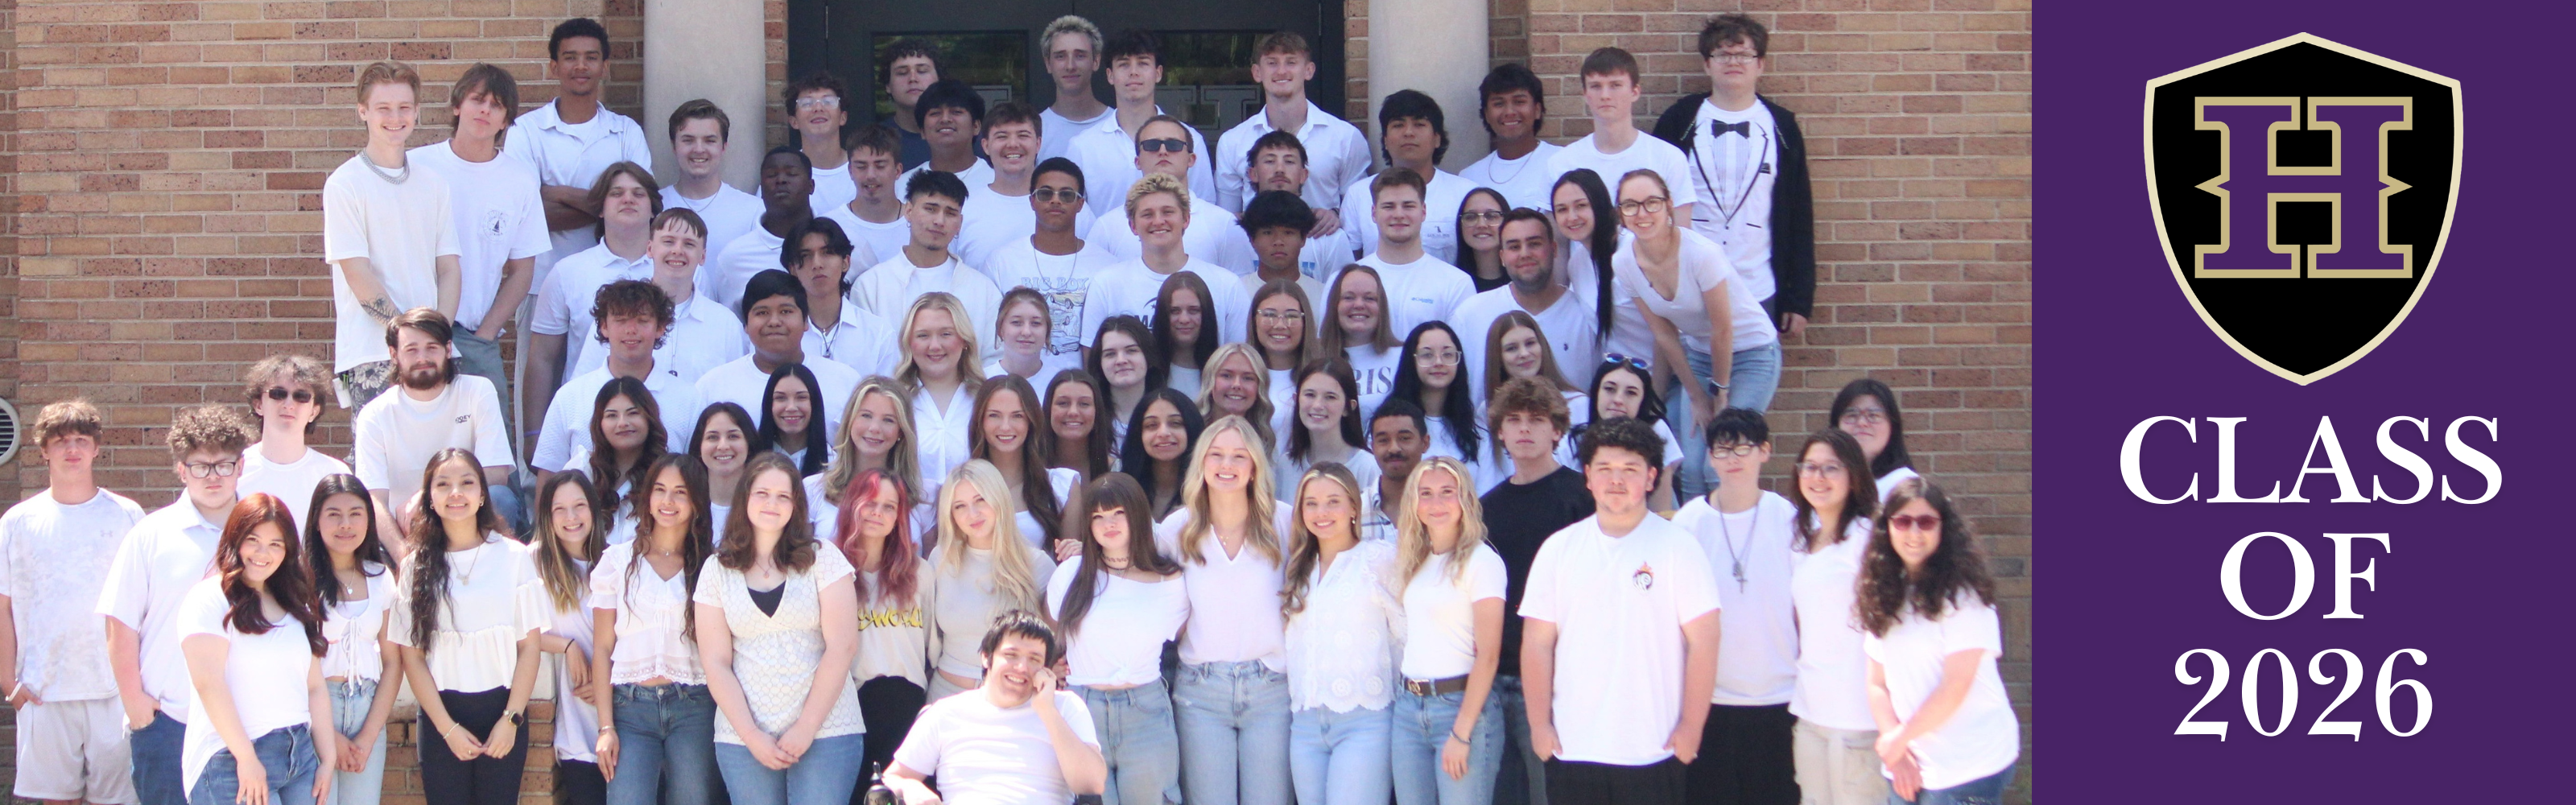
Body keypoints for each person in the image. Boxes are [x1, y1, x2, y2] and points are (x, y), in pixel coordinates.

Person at [1517, 418, 1719, 805]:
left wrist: (1692, 727)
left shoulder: (1679, 548)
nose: (1616, 479)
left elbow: (1705, 642)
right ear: (1588, 476)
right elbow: (1537, 644)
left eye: (1630, 469)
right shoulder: (1559, 549)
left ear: (1651, 477)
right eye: (1605, 469)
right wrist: (1539, 726)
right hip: (1573, 748)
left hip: (1653, 748)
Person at [694, 452, 869, 805]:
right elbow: (715, 663)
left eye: (783, 496)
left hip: (827, 730)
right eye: (762, 493)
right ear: (745, 498)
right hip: (744, 737)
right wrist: (751, 735)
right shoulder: (716, 569)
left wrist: (805, 728)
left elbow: (843, 647)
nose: (772, 504)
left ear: (795, 505)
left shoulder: (824, 558)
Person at [100, 405, 253, 805]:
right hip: (169, 724)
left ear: (241, 467)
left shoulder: (267, 534)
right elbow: (120, 625)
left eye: (224, 465)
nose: (213, 476)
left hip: (252, 723)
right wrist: (138, 708)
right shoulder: (152, 535)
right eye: (200, 466)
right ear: (182, 470)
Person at [3, 400, 149, 805]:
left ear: (97, 449)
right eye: (61, 440)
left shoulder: (126, 515)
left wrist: (139, 685)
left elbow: (146, 603)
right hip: (42, 690)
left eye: (82, 440)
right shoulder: (18, 521)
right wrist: (9, 685)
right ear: (44, 449)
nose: (72, 449)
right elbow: (3, 607)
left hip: (114, 691)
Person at [1609, 168, 1779, 500]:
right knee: (1689, 468)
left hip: (1753, 355)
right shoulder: (1624, 263)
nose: (1642, 214)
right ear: (1621, 213)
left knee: (1721, 460)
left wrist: (1720, 394)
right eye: (1630, 205)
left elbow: (1723, 329)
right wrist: (1697, 396)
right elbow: (1664, 333)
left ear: (1669, 205)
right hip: (1700, 358)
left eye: (1652, 203)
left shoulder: (1702, 253)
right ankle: (1696, 547)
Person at [390, 448, 547, 805]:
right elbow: (411, 658)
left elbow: (529, 647)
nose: (455, 493)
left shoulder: (513, 557)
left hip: (502, 713)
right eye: (443, 484)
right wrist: (447, 729)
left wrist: (511, 720)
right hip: (441, 716)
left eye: (466, 483)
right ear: (430, 497)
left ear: (482, 495)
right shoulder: (416, 566)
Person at [1154, 416, 1295, 805]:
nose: (1226, 465)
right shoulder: (1177, 528)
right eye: (1216, 455)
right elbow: (1145, 594)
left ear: (1254, 468)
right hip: (1201, 691)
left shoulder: (1285, 521)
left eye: (1238, 456)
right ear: (1201, 463)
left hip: (1272, 688)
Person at [1651, 14, 1817, 340]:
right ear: (1707, 65)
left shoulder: (1782, 127)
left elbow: (1800, 215)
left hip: (1759, 288)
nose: (1733, 62)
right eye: (1722, 54)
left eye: (1743, 54)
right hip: (1690, 288)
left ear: (1761, 65)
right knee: (1694, 388)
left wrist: (1799, 299)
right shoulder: (1679, 121)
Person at [1857, 481, 2017, 804]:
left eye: (1926, 522)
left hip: (1968, 768)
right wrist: (1896, 748)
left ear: (1944, 529)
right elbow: (1877, 683)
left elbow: (1955, 686)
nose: (1914, 532)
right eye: (1903, 521)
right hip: (1908, 766)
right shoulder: (1884, 593)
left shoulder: (1965, 597)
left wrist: (1900, 739)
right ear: (1887, 527)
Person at [1669, 409, 1799, 805]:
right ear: (1709, 457)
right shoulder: (1689, 523)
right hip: (1710, 703)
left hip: (1781, 698)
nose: (1733, 458)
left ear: (1765, 452)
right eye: (1723, 449)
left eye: (1744, 447)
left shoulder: (1789, 519)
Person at [1475, 378, 1592, 805]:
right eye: (1515, 420)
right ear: (1501, 432)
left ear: (1558, 430)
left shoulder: (1583, 496)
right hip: (1495, 677)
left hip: (1556, 678)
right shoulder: (1486, 507)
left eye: (1537, 420)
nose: (1525, 429)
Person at [175, 494, 335, 805]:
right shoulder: (210, 599)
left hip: (299, 756)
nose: (264, 553)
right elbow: (209, 684)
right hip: (232, 760)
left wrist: (326, 759)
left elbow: (314, 686)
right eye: (253, 540)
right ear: (234, 540)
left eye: (276, 544)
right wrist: (247, 759)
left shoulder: (294, 602)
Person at [325, 60, 462, 411]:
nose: (394, 116)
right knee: (377, 464)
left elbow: (448, 268)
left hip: (435, 353)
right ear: (362, 111)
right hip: (372, 355)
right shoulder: (345, 184)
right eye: (383, 108)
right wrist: (406, 337)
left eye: (404, 107)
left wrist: (436, 336)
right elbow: (357, 273)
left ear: (416, 112)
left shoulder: (434, 184)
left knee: (441, 462)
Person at [1045, 473, 1189, 805]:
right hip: (1082, 710)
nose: (1108, 524)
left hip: (1146, 710)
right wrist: (1052, 668)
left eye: (1117, 513)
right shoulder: (1070, 574)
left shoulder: (1170, 580)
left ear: (1137, 514)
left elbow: (1180, 637)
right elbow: (1051, 635)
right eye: (1097, 517)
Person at [589, 455, 725, 805]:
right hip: (630, 707)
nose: (668, 502)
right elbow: (603, 648)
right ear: (647, 497)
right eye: (660, 490)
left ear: (696, 501)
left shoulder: (713, 566)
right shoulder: (616, 562)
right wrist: (606, 727)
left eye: (680, 492)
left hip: (694, 706)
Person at [411, 63, 549, 405]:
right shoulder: (416, 167)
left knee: (492, 447)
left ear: (506, 121)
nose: (485, 110)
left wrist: (487, 332)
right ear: (458, 106)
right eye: (477, 99)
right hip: (415, 333)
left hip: (476, 335)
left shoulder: (520, 180)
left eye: (497, 105)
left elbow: (523, 270)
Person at [884, 612, 1108, 803]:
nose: (1022, 667)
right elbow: (891, 779)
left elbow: (1092, 784)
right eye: (1011, 655)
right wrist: (910, 788)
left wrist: (1048, 711)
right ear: (986, 657)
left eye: (1034, 659)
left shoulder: (1066, 707)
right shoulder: (946, 713)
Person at [1278, 463, 1401, 805]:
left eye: (1333, 501)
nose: (1322, 512)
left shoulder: (1379, 559)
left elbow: (1405, 635)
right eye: (1311, 503)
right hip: (1304, 724)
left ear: (1353, 508)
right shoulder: (1297, 570)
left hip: (1365, 721)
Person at [1389, 458, 1508, 805]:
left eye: (1447, 493)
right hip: (1409, 708)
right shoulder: (1415, 559)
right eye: (1426, 494)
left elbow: (1488, 656)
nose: (1436, 504)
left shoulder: (1482, 561)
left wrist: (1462, 731)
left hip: (1459, 707)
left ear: (1465, 500)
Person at [353, 308, 522, 539]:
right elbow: (373, 500)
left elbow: (496, 473)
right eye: (411, 350)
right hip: (405, 527)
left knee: (501, 498)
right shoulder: (374, 415)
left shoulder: (477, 391)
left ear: (448, 349)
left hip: (465, 514)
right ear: (394, 355)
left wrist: (426, 497)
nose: (422, 358)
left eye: (432, 348)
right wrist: (404, 558)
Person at [532, 278, 712, 485]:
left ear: (660, 327)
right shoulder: (570, 397)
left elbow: (700, 479)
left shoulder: (689, 399)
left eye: (642, 320)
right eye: (621, 320)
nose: (631, 330)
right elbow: (549, 481)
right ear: (603, 327)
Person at [1785, 429, 1883, 805]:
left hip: (1858, 720)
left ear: (1854, 476)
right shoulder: (1801, 541)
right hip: (1810, 714)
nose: (1818, 477)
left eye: (1831, 468)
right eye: (1809, 467)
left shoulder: (1869, 538)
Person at [508, 18, 656, 266]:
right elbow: (526, 218)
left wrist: (559, 193)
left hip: (615, 279)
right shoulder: (526, 130)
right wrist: (613, 207)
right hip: (540, 281)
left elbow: (643, 210)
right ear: (554, 67)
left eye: (591, 57)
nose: (581, 66)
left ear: (604, 67)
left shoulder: (626, 131)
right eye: (570, 57)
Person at [527, 161, 663, 407]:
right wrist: (533, 435)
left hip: (664, 408)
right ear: (600, 209)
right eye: (617, 193)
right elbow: (542, 360)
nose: (628, 199)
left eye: (638, 194)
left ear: (653, 209)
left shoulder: (679, 271)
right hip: (586, 413)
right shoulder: (567, 272)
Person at [921, 462, 1058, 700]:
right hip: (946, 699)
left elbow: (1055, 643)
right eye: (959, 506)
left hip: (1014, 702)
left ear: (998, 499)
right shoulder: (941, 558)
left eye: (980, 500)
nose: (972, 514)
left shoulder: (1037, 564)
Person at [568, 204, 751, 382]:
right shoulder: (617, 315)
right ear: (650, 249)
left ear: (702, 256)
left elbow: (735, 390)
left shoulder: (726, 325)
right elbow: (585, 385)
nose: (677, 250)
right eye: (668, 241)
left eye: (689, 244)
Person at [828, 468, 931, 774]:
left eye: (889, 506)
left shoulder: (921, 573)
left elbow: (929, 650)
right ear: (852, 504)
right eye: (870, 502)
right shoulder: (828, 571)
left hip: (908, 711)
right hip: (850, 711)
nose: (878, 513)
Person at [304, 474, 399, 805]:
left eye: (355, 514)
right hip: (315, 709)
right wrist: (329, 736)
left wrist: (368, 735)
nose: (345, 524)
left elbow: (393, 662)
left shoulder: (381, 576)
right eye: (334, 514)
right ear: (316, 521)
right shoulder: (300, 580)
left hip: (367, 708)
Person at [1080, 172, 1256, 349]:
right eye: (1147, 214)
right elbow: (1093, 363)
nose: (1158, 221)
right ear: (1133, 226)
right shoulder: (1106, 285)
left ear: (1186, 219)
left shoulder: (1226, 285)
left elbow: (1242, 358)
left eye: (1168, 212)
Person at [1213, 31, 1372, 219]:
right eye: (1272, 63)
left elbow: (1360, 210)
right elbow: (1226, 218)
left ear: (1309, 70)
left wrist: (1335, 214)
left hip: (1323, 245)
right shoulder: (1232, 141)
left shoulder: (1345, 137)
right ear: (1257, 72)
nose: (1281, 71)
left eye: (1291, 62)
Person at [985, 159, 1121, 374]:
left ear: (1080, 204)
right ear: (1032, 201)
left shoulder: (1107, 266)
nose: (1055, 201)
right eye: (1045, 194)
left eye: (1066, 195)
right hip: (1018, 388)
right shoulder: (1002, 261)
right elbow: (990, 338)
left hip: (1083, 392)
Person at [696, 270, 864, 443]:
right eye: (762, 313)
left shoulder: (845, 381)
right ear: (746, 324)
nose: (774, 322)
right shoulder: (713, 387)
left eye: (785, 311)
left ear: (806, 321)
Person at [1452, 209, 1597, 406]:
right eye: (1514, 247)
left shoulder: (1586, 315)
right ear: (1502, 257)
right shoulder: (1470, 315)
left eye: (1534, 244)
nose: (1525, 254)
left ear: (1554, 249)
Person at [1063, 30, 1216, 213]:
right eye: (1124, 65)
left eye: (1143, 63)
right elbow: (1073, 218)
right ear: (1110, 75)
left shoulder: (1190, 141)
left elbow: (1204, 212)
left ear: (1158, 73)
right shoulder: (1083, 147)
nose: (1133, 72)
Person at [1545, 48, 1698, 229]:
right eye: (1596, 86)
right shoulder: (1562, 163)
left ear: (1635, 92)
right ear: (1585, 94)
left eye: (1615, 85)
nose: (1605, 95)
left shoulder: (1669, 157)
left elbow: (1683, 235)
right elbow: (1558, 244)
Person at [852, 171, 1007, 348]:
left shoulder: (984, 291)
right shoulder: (871, 287)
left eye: (950, 213)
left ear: (960, 223)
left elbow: (992, 363)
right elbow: (863, 358)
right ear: (909, 211)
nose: (939, 221)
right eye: (930, 209)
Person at [1088, 116, 1259, 274]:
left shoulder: (1224, 224)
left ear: (1191, 159)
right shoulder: (1106, 228)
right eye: (1152, 145)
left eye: (1174, 145)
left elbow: (1239, 290)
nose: (1163, 151)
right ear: (1137, 161)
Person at [532, 472, 609, 805]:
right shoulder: (532, 562)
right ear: (547, 517)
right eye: (560, 509)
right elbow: (513, 629)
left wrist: (609, 681)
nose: (571, 518)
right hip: (577, 727)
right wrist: (566, 646)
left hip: (624, 721)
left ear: (593, 510)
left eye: (579, 506)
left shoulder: (614, 563)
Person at [1341, 93, 1474, 263]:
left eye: (1419, 124)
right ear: (1386, 141)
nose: (1409, 133)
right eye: (1398, 125)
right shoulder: (1359, 194)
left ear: (1437, 139)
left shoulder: (1465, 193)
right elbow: (1351, 260)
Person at [1352, 170, 1476, 338]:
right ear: (1374, 213)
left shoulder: (1456, 284)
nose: (1398, 215)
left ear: (1424, 211)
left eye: (1408, 206)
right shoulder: (1346, 281)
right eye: (1389, 206)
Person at [972, 376, 1082, 555]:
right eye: (994, 415)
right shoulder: (961, 486)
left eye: (1017, 416)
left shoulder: (1062, 486)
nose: (1006, 427)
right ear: (980, 421)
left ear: (1031, 421)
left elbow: (1070, 567)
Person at [810, 379, 930, 542]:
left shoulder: (924, 499)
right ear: (850, 420)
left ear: (901, 431)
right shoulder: (813, 489)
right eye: (866, 415)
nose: (874, 428)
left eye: (888, 420)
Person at [238, 355, 354, 522]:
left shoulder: (334, 474)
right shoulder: (234, 471)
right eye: (278, 394)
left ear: (313, 412)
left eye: (301, 396)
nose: (289, 404)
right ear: (258, 405)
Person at [894, 292, 988, 496]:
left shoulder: (986, 399)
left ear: (964, 340)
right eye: (923, 335)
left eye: (946, 334)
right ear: (909, 342)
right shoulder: (893, 402)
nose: (935, 346)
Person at [1552, 169, 1648, 365]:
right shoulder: (1576, 264)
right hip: (1621, 381)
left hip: (1668, 378)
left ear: (1600, 204)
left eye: (1581, 206)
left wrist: (1657, 391)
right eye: (1562, 209)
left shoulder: (1634, 252)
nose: (1571, 217)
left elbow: (1666, 332)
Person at [710, 147, 824, 312]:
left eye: (791, 173)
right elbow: (732, 328)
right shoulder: (734, 258)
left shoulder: (839, 244)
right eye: (772, 175)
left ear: (811, 186)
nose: (781, 180)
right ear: (761, 188)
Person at [784, 217, 898, 379]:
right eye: (806, 255)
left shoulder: (878, 333)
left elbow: (890, 397)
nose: (817, 264)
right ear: (793, 269)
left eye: (827, 253)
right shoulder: (782, 333)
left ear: (846, 262)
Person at [1388, 322, 1492, 492]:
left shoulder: (1477, 432)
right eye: (1427, 355)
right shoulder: (1389, 425)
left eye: (1448, 354)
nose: (1439, 362)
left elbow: (1487, 493)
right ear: (1411, 360)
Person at [1563, 357, 1678, 512]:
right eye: (1610, 389)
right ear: (1596, 393)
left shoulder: (1657, 430)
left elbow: (1661, 510)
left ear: (1642, 401)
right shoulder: (1575, 438)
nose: (1618, 400)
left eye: (1631, 393)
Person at [1476, 312, 1590, 460]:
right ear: (1498, 357)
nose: (1524, 353)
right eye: (1512, 348)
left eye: (1530, 343)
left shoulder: (1578, 405)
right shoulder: (1486, 412)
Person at [1245, 137, 1361, 279]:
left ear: (1303, 175)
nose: (1280, 169)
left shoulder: (1329, 236)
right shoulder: (1234, 232)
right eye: (1270, 161)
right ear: (1253, 174)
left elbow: (1341, 294)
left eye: (1289, 162)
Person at [663, 100, 766, 259]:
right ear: (674, 146)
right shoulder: (653, 207)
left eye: (709, 141)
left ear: (724, 146)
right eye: (688, 140)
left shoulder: (753, 211)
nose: (698, 149)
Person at [1459, 64, 1564, 213]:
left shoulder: (1562, 163)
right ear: (1487, 114)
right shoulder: (1469, 178)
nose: (1509, 112)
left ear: (1537, 110)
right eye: (1499, 104)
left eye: (1519, 102)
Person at [954, 101, 1048, 267]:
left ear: (1038, 144)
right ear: (986, 146)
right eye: (1002, 136)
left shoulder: (1066, 206)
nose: (1013, 144)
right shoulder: (963, 209)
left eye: (1023, 135)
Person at [581, 378, 671, 543]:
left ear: (649, 418)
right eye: (612, 415)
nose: (622, 423)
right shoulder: (583, 468)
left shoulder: (667, 473)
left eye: (633, 413)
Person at [1278, 358, 1379, 501]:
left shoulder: (1367, 467)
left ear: (1348, 407)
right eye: (1310, 395)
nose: (1318, 405)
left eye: (1330, 397)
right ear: (1296, 400)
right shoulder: (1286, 465)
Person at [819, 124, 916, 264]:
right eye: (861, 166)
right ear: (850, 171)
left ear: (898, 171)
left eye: (880, 166)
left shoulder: (920, 224)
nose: (870, 175)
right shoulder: (828, 227)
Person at [1320, 264, 1403, 415]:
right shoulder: (1314, 358)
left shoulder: (1404, 358)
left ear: (1381, 306)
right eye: (1349, 297)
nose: (1359, 305)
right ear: (1335, 305)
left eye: (1369, 298)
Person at [1119, 390, 1206, 520]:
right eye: (1152, 425)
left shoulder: (1208, 492)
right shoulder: (1121, 489)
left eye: (1175, 423)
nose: (1163, 433)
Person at [1037, 16, 1113, 163]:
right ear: (1048, 64)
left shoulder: (1118, 125)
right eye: (1060, 56)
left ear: (1096, 61)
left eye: (1080, 55)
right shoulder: (1035, 130)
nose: (1070, 66)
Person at [1831, 378, 1919, 505]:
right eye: (1852, 415)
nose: (1862, 423)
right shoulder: (1823, 482)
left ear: (1892, 426)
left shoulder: (1905, 487)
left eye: (1873, 416)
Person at [1250, 281, 1321, 436]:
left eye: (1291, 316)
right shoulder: (1240, 377)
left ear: (1305, 322)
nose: (1280, 325)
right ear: (1254, 319)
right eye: (1269, 315)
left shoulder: (1322, 376)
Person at [1241, 192, 1337, 304]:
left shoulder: (1325, 297)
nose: (1278, 241)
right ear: (1252, 239)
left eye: (1288, 233)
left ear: (1303, 239)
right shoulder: (1237, 293)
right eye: (1268, 233)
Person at [1088, 316, 1167, 448]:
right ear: (1099, 363)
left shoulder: (1171, 412)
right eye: (1110, 354)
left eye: (1131, 351)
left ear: (1148, 357)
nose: (1121, 360)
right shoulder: (1090, 419)